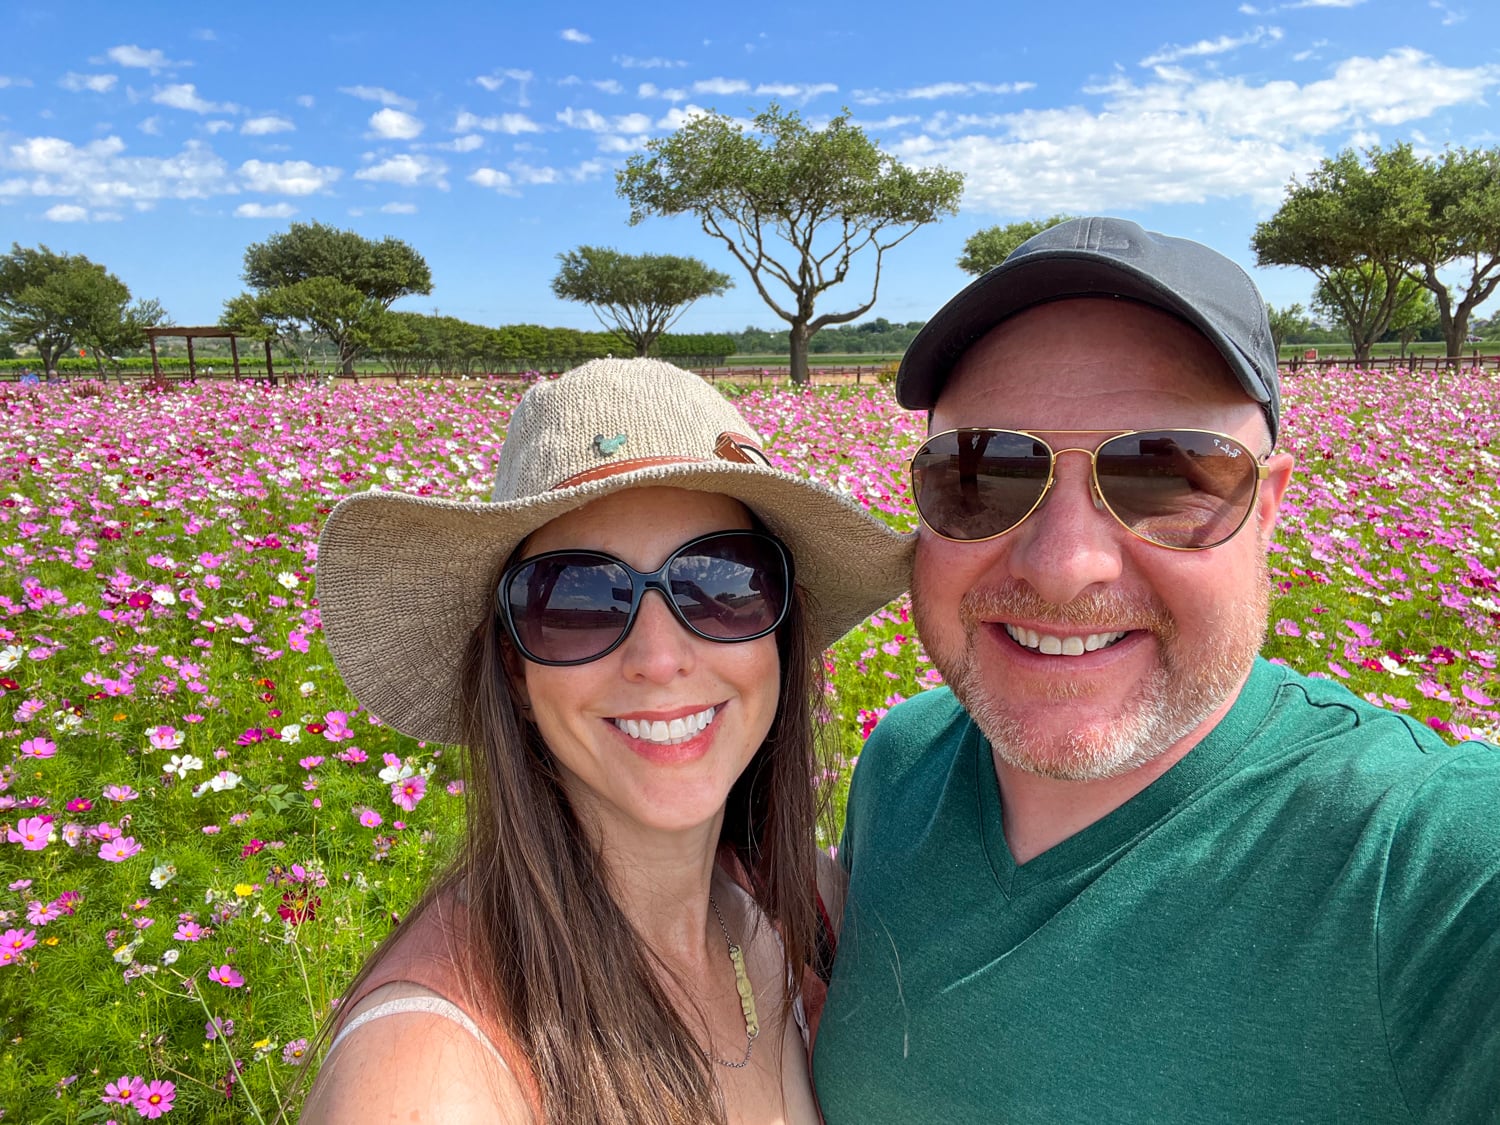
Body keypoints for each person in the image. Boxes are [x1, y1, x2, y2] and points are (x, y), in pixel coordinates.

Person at [812, 217, 1500, 1122]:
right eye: (981, 470)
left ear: (1270, 507)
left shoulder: (1422, 863)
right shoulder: (902, 762)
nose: (1063, 564)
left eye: (1165, 473)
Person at [299, 357, 908, 1125]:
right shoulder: (429, 1082)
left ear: (780, 633)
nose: (659, 659)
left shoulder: (799, 905)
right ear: (514, 671)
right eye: (578, 598)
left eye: (722, 584)